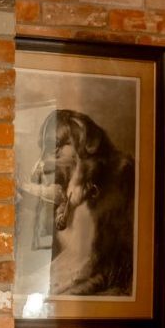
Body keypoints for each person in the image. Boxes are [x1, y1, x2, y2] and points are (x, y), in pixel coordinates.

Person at [22, 108, 133, 297]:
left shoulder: (118, 181)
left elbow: (100, 265)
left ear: (81, 141)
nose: (44, 160)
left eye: (55, 148)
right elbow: (74, 257)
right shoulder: (67, 186)